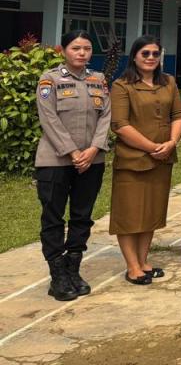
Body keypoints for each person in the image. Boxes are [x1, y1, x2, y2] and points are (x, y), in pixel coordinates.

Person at [35, 30, 111, 301]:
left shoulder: (98, 80)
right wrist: (72, 152)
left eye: (87, 48)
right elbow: (48, 118)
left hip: (92, 160)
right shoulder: (50, 80)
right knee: (53, 217)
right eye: (76, 48)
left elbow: (105, 117)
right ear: (64, 50)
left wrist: (91, 150)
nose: (82, 53)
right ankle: (57, 275)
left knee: (82, 215)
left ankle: (73, 268)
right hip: (55, 160)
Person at [109, 36, 181, 285]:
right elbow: (119, 124)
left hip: (162, 159)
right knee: (129, 214)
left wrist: (171, 142)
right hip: (133, 159)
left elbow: (178, 114)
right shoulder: (122, 85)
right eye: (145, 54)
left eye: (155, 53)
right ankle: (132, 267)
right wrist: (152, 147)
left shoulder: (168, 82)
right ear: (134, 56)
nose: (151, 58)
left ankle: (143, 261)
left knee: (151, 211)